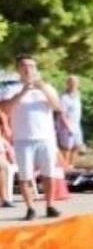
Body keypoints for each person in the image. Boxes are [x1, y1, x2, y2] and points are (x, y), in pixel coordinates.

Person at [0, 56, 65, 220]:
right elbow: (5, 109)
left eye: (31, 66)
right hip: (23, 139)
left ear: (36, 69)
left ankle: (50, 206)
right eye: (24, 66)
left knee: (48, 174)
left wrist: (42, 88)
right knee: (25, 176)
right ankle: (30, 208)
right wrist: (23, 91)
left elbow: (57, 106)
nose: (28, 69)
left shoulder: (46, 87)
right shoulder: (11, 89)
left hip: (46, 137)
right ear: (18, 69)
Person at [57, 76, 84, 170]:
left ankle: (71, 165)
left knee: (77, 146)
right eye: (71, 83)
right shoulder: (63, 97)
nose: (73, 85)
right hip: (66, 125)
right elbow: (62, 114)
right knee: (66, 147)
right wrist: (68, 127)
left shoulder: (78, 94)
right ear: (67, 84)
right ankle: (65, 167)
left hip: (76, 125)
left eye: (75, 83)